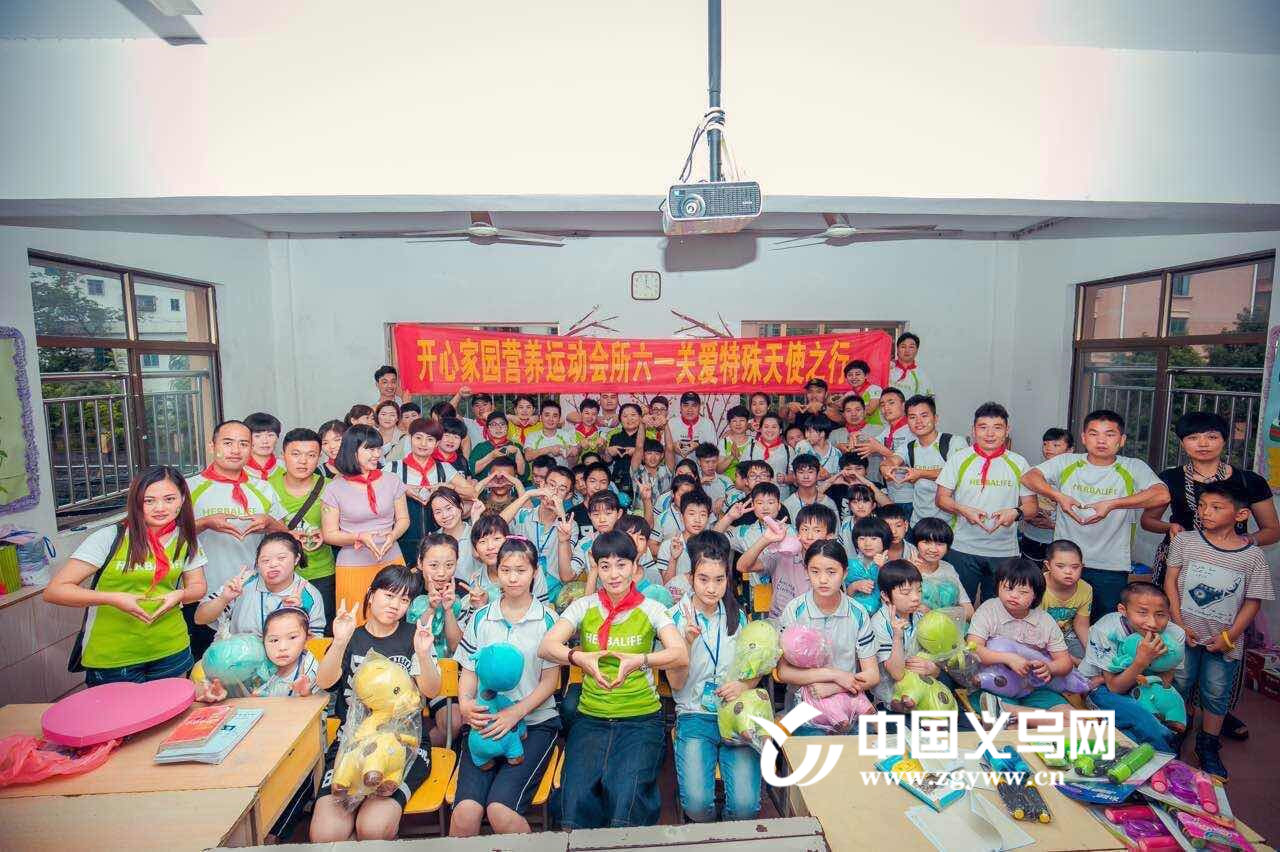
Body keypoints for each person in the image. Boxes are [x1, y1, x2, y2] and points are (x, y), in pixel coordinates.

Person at [1141, 411, 1280, 745]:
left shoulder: (1248, 481)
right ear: (1182, 443)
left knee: (1226, 641)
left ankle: (1219, 710)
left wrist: (1241, 544)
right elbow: (1148, 520)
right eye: (1193, 437)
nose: (1202, 444)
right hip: (1180, 564)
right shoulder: (1169, 478)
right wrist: (1170, 527)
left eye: (1211, 436)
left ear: (1224, 440)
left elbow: (1272, 529)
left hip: (1229, 569)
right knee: (1174, 635)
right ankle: (1173, 709)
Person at [538, 530, 688, 830]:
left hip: (640, 719)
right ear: (596, 568)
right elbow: (546, 646)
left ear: (635, 566)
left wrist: (640, 660)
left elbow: (680, 654)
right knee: (573, 800)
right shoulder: (584, 606)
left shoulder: (652, 609)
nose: (614, 574)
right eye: (605, 566)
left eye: (621, 565)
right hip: (591, 717)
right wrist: (579, 658)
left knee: (626, 798)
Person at [311, 566, 439, 842]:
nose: (395, 605)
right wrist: (340, 641)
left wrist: (423, 654)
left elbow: (431, 690)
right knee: (325, 835)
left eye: (404, 599)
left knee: (372, 829)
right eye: (389, 595)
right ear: (371, 595)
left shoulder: (414, 637)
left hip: (403, 745)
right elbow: (324, 682)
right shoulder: (352, 636)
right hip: (352, 742)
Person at [46, 465, 207, 685]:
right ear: (136, 501)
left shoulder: (185, 539)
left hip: (171, 648)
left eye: (169, 499)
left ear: (182, 500)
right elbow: (55, 590)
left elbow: (198, 586)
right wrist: (113, 598)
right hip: (112, 655)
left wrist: (180, 595)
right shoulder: (110, 537)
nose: (160, 508)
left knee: (173, 707)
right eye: (149, 501)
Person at [451, 538, 561, 837]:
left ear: (535, 572)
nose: (513, 578)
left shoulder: (548, 619)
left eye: (521, 570)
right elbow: (469, 670)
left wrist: (515, 713)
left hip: (534, 724)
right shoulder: (481, 617)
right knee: (465, 814)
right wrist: (465, 703)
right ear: (496, 572)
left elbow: (550, 682)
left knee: (500, 811)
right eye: (506, 570)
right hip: (485, 724)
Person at [1165, 483, 1274, 779]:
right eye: (1202, 505)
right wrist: (1178, 623)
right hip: (1184, 633)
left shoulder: (1252, 556)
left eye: (1216, 507)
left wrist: (1229, 636)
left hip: (1225, 640)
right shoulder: (1185, 541)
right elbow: (1170, 582)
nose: (1205, 512)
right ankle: (1175, 733)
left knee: (1216, 692)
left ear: (1240, 514)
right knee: (1179, 684)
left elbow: (1253, 601)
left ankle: (1208, 744)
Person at [1022, 410, 1169, 621]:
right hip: (1065, 563)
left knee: (1104, 624)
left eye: (1109, 434)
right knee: (1054, 623)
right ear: (1083, 438)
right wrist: (1059, 496)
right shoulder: (1066, 461)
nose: (1101, 440)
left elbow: (1161, 495)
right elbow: (1029, 477)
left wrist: (1113, 504)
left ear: (1122, 440)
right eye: (1094, 434)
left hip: (1111, 565)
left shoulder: (1132, 467)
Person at [667, 531, 762, 822]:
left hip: (735, 713)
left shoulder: (738, 616)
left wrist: (744, 684)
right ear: (690, 578)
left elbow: (755, 671)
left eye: (719, 580)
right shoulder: (674, 619)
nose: (711, 588)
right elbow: (676, 684)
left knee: (746, 809)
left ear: (727, 580)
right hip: (694, 715)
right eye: (703, 579)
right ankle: (710, 830)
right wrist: (686, 644)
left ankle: (729, 830)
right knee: (697, 806)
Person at [187, 420, 286, 657]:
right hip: (202, 593)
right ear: (212, 446)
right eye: (228, 443)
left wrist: (269, 523)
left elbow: (285, 538)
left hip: (254, 594)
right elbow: (170, 536)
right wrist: (204, 523)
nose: (235, 450)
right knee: (205, 665)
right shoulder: (189, 488)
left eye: (243, 444)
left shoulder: (263, 488)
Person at [935, 402, 1038, 603]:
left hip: (1004, 552)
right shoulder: (959, 459)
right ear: (973, 430)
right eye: (983, 427)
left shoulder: (1019, 462)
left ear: (1007, 430)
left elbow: (1032, 507)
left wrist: (1016, 512)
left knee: (999, 608)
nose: (990, 434)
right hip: (963, 548)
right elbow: (941, 498)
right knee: (958, 606)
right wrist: (962, 509)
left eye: (997, 427)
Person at [775, 540, 879, 732]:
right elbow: (784, 672)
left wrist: (836, 686)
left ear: (845, 573)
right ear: (806, 571)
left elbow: (872, 675)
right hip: (803, 707)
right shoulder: (795, 610)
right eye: (815, 572)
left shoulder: (858, 612)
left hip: (849, 703)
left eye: (831, 572)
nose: (823, 580)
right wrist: (834, 675)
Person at [1078, 582, 1184, 754]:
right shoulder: (1106, 630)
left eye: (1160, 614)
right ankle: (1168, 761)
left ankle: (1146, 758)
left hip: (1147, 689)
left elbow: (1165, 682)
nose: (1152, 623)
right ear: (1123, 610)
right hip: (1102, 690)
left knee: (1134, 735)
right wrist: (1142, 661)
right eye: (1142, 613)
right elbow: (1115, 687)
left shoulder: (1175, 634)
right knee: (1144, 719)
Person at [968, 558, 1077, 725]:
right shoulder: (989, 610)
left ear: (1036, 596)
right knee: (993, 707)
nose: (1014, 595)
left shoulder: (1044, 620)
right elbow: (974, 649)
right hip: (994, 686)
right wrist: (1008, 658)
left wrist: (1050, 668)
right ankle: (1012, 714)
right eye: (1008, 588)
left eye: (1023, 592)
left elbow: (1065, 662)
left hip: (1034, 689)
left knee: (1074, 718)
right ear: (998, 586)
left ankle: (1012, 716)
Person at [321, 424, 410, 624]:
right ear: (352, 451)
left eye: (378, 448)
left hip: (391, 560)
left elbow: (404, 519)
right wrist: (359, 537)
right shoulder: (334, 488)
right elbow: (329, 534)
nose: (376, 454)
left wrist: (392, 536)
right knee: (355, 622)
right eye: (370, 449)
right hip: (353, 564)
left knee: (393, 621)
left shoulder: (392, 480)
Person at [267, 427, 336, 628]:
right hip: (277, 574)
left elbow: (345, 525)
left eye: (311, 455)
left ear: (319, 457)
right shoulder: (266, 487)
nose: (303, 461)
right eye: (296, 454)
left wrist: (326, 533)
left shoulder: (331, 487)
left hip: (321, 572)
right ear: (283, 455)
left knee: (320, 630)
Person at [195, 531, 326, 636]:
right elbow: (199, 618)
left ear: (296, 559)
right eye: (265, 560)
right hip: (240, 658)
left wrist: (296, 615)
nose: (273, 564)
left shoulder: (308, 595)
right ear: (257, 563)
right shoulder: (243, 582)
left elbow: (314, 644)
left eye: (281, 558)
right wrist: (224, 599)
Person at [386, 419, 475, 553]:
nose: (423, 444)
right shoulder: (393, 467)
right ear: (410, 439)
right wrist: (402, 488)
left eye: (430, 439)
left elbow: (472, 493)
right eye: (418, 438)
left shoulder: (444, 468)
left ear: (437, 443)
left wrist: (447, 486)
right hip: (399, 542)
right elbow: (373, 492)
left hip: (438, 543)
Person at [739, 503, 836, 619]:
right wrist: (766, 539)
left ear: (830, 536)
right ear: (798, 532)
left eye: (817, 530)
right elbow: (742, 566)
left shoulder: (834, 566)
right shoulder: (783, 555)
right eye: (805, 529)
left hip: (816, 624)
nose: (809, 536)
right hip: (780, 623)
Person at [414, 533, 466, 746]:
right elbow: (408, 637)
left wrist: (448, 610)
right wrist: (430, 608)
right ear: (420, 563)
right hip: (413, 670)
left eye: (449, 565)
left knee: (454, 723)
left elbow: (457, 646)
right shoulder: (409, 590)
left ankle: (418, 750)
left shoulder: (462, 593)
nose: (442, 573)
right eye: (433, 565)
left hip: (446, 672)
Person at [883, 395, 964, 525]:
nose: (918, 421)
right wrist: (886, 469)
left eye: (924, 415)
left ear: (935, 418)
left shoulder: (954, 442)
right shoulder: (909, 447)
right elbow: (891, 460)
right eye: (912, 417)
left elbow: (957, 473)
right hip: (918, 522)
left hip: (949, 523)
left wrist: (920, 473)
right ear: (907, 421)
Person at [503, 465, 578, 602]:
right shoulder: (523, 515)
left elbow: (566, 576)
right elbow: (495, 526)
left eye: (561, 489)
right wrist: (527, 495)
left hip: (553, 592)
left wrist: (561, 517)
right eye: (551, 485)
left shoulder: (570, 525)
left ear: (568, 496)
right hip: (520, 585)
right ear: (542, 485)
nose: (554, 492)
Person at [868, 560, 934, 708]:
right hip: (892, 699)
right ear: (885, 595)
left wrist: (933, 668)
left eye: (919, 590)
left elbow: (935, 657)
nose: (915, 597)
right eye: (906, 592)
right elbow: (896, 674)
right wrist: (897, 637)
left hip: (921, 689)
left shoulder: (919, 615)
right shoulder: (879, 623)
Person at [1020, 428, 1073, 560]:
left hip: (1061, 541)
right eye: (1045, 444)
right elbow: (1023, 503)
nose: (1048, 448)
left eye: (1056, 445)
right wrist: (1028, 514)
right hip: (1032, 536)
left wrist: (1053, 525)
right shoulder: (1032, 474)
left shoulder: (1075, 477)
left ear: (1070, 450)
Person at [910, 516, 973, 621]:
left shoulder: (948, 568)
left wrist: (935, 614)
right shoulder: (905, 568)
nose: (933, 549)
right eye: (926, 542)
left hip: (946, 625)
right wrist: (911, 574)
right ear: (916, 543)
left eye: (939, 544)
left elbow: (969, 611)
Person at [1038, 540, 1091, 662]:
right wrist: (1067, 658)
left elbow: (1081, 624)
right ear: (1048, 565)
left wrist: (1092, 653)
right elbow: (1033, 625)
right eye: (1060, 566)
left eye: (1075, 567)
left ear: (1082, 566)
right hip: (1039, 636)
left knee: (1089, 661)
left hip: (1067, 635)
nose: (1068, 572)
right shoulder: (1038, 585)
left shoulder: (1086, 589)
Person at [846, 516, 892, 615]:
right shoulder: (850, 564)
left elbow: (894, 593)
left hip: (883, 616)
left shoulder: (892, 566)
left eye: (873, 538)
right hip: (854, 615)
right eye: (862, 539)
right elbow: (844, 596)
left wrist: (883, 568)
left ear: (884, 540)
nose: (867, 544)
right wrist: (854, 586)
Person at [742, 413, 793, 494]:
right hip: (755, 496)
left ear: (780, 430)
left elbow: (794, 476)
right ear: (760, 429)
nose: (770, 430)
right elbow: (741, 475)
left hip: (781, 496)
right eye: (766, 427)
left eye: (774, 427)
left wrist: (785, 479)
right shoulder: (750, 448)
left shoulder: (788, 450)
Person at [470, 411, 528, 481]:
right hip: (485, 486)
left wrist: (518, 452)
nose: (498, 428)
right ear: (488, 428)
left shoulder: (515, 446)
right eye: (494, 424)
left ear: (507, 427)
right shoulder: (480, 447)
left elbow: (523, 473)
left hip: (510, 486)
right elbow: (471, 471)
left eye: (502, 424)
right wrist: (491, 456)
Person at [783, 454, 839, 520]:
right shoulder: (787, 505)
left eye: (810, 472)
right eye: (801, 472)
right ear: (795, 476)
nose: (806, 476)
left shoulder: (828, 504)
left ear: (818, 474)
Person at [668, 391, 718, 460]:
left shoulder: (708, 424)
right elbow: (663, 448)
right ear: (680, 407)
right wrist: (672, 446)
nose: (690, 409)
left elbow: (713, 452)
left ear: (699, 408)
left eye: (694, 405)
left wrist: (698, 446)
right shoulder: (671, 423)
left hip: (700, 466)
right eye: (686, 405)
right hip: (676, 466)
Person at [889, 332, 933, 398]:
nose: (907, 350)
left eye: (911, 347)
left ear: (916, 350)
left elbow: (929, 399)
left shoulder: (921, 375)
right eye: (903, 347)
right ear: (897, 349)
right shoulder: (888, 368)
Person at [243, 411, 282, 481]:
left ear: (277, 438)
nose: (265, 441)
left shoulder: (287, 467)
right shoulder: (236, 469)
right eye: (257, 436)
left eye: (270, 435)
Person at [842, 359, 882, 425]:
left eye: (857, 374)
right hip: (856, 429)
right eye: (850, 375)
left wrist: (851, 415)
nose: (854, 377)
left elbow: (870, 410)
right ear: (846, 378)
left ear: (866, 375)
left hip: (877, 428)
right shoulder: (848, 395)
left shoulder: (875, 389)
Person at [717, 404, 752, 480]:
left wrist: (739, 457)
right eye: (734, 421)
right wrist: (732, 457)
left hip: (748, 483)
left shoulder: (754, 443)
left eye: (742, 420)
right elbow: (718, 470)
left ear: (747, 423)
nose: (738, 424)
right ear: (729, 424)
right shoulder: (724, 442)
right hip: (726, 483)